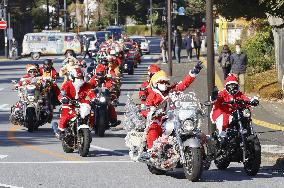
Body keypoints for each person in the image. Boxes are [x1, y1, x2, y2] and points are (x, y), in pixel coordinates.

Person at [142, 61, 203, 153]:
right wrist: (152, 112)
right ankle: (152, 152)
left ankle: (201, 150)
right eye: (162, 82)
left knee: (189, 127)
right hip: (158, 120)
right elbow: (145, 109)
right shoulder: (152, 95)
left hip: (172, 118)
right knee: (153, 129)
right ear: (155, 83)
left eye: (166, 82)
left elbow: (183, 84)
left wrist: (193, 74)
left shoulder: (171, 91)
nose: (165, 85)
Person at [57, 68, 96, 136]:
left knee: (91, 111)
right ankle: (61, 130)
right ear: (72, 77)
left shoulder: (86, 85)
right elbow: (61, 93)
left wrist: (94, 98)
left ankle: (91, 126)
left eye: (81, 77)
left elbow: (90, 92)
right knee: (65, 113)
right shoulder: (67, 84)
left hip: (81, 102)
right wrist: (63, 98)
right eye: (77, 77)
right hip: (69, 102)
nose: (79, 79)